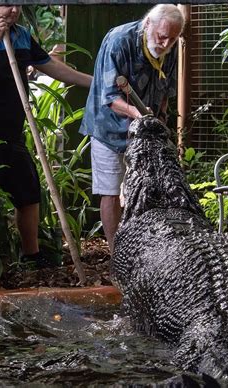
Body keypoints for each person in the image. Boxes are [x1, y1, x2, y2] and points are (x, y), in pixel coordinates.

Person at [0, 5, 92, 268]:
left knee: (29, 193)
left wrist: (92, 81)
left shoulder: (21, 34)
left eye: (18, 4)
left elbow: (49, 65)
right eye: (7, 4)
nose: (14, 10)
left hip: (13, 132)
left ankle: (31, 256)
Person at [79, 4, 184, 253]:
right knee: (110, 190)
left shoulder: (170, 45)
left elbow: (166, 89)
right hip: (109, 127)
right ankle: (117, 254)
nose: (165, 43)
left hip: (145, 130)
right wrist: (139, 116)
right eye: (162, 36)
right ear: (148, 24)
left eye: (172, 38)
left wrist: (160, 119)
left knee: (148, 187)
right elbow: (110, 96)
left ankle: (145, 251)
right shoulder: (118, 41)